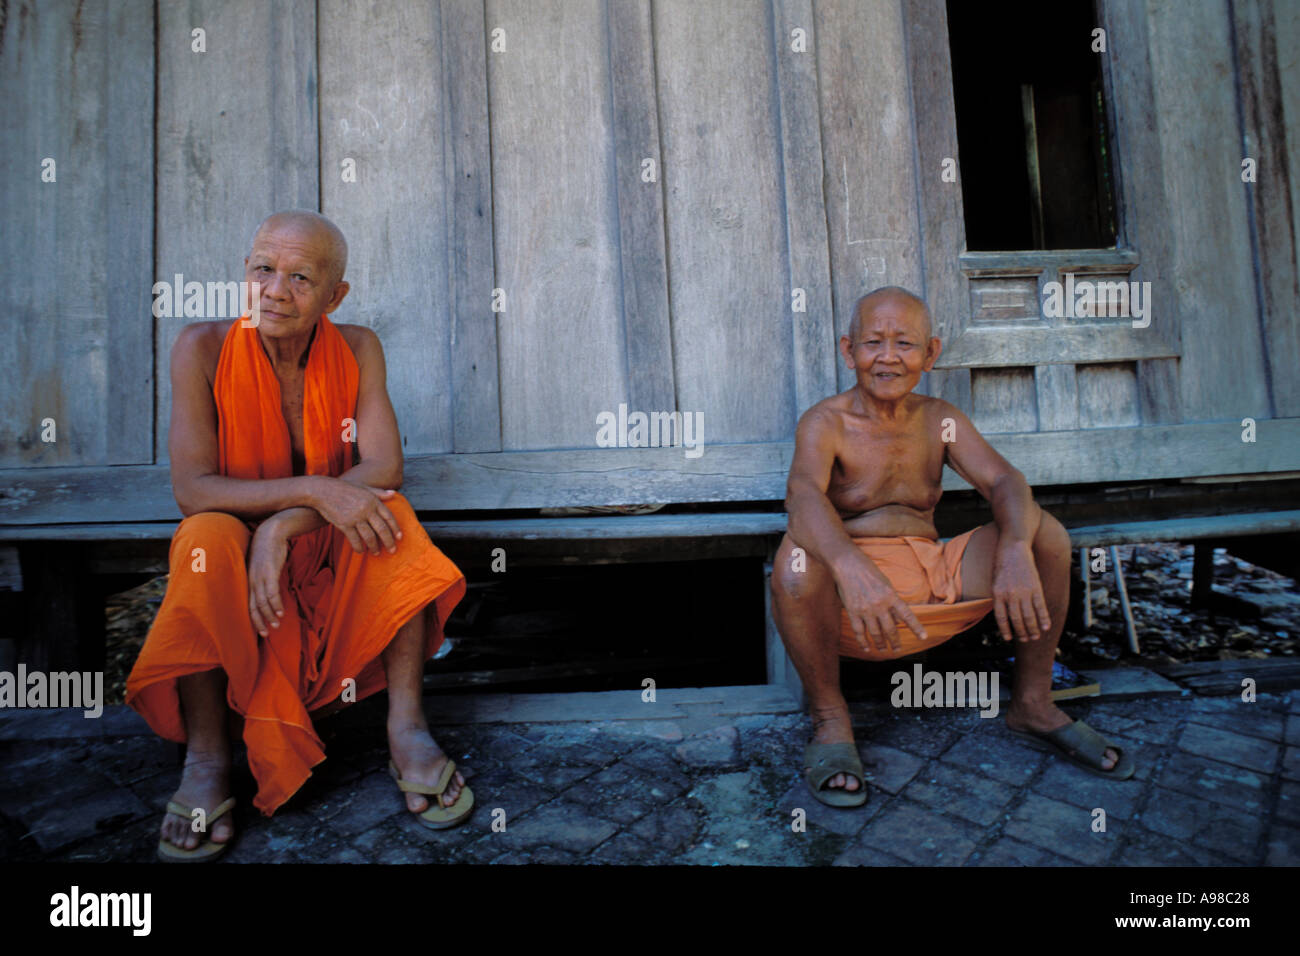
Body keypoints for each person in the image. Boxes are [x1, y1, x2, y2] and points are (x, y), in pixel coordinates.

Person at [128, 211, 471, 860]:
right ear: (245, 272)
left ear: (335, 297)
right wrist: (315, 489)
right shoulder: (200, 349)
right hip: (236, 558)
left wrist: (288, 523)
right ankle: (206, 758)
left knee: (392, 517)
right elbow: (194, 488)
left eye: (300, 277)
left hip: (320, 549)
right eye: (263, 269)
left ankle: (407, 729)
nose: (275, 291)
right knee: (202, 537)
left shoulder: (359, 347)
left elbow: (382, 467)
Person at [771, 286, 1134, 807]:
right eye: (874, 342)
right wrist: (850, 564)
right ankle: (831, 721)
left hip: (933, 573)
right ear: (849, 351)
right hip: (852, 592)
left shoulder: (940, 417)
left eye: (905, 344)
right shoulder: (826, 422)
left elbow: (1005, 481)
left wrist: (1012, 549)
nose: (889, 357)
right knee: (797, 561)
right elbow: (802, 496)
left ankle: (1032, 702)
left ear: (931, 354)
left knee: (1045, 534)